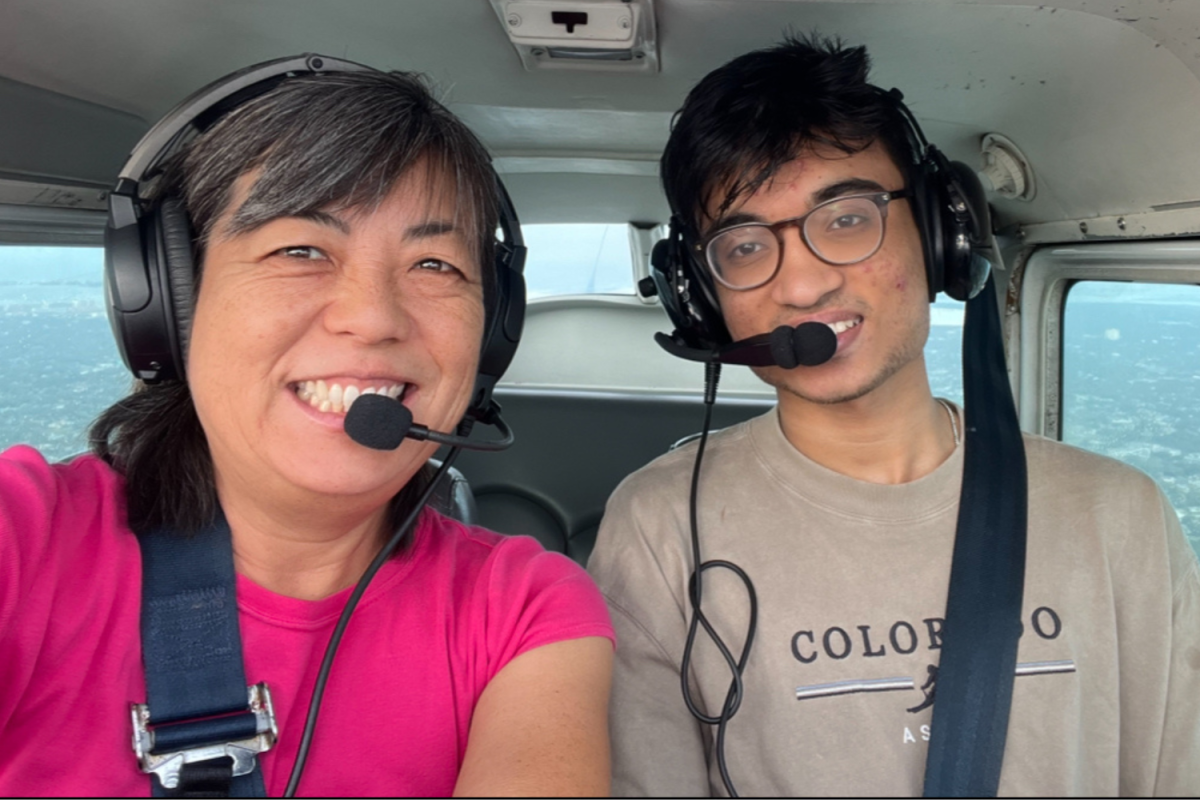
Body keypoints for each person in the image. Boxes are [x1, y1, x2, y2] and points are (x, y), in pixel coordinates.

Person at [588, 34, 1200, 796]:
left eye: (846, 218)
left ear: (943, 232)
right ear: (702, 298)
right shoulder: (658, 530)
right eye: (745, 245)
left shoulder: (1121, 518)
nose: (805, 286)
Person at [0, 59, 613, 796]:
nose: (375, 317)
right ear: (167, 302)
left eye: (434, 264)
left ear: (493, 336)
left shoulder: (524, 609)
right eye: (300, 250)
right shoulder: (26, 537)